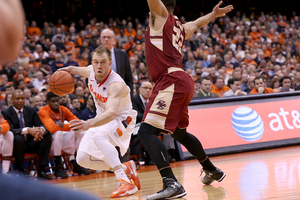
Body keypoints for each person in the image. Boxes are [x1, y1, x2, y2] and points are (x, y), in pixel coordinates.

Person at [140, 0, 233, 199]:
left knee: (147, 131)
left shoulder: (161, 18)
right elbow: (198, 23)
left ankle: (171, 182)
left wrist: (212, 14)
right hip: (182, 81)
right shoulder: (180, 27)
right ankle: (211, 169)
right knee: (180, 134)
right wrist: (213, 14)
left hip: (170, 81)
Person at [61, 46, 140, 198]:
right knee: (82, 159)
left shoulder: (115, 84)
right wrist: (69, 69)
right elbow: (82, 70)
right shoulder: (91, 71)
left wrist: (88, 124)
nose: (99, 66)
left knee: (99, 137)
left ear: (110, 63)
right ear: (92, 62)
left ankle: (125, 182)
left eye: (103, 62)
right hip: (103, 119)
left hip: (123, 119)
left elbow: (111, 113)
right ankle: (125, 168)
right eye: (96, 62)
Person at [2, 89, 52, 180]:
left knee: (47, 136)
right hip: (14, 146)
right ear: (12, 100)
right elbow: (11, 130)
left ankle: (41, 170)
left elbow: (40, 124)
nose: (20, 101)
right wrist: (28, 130)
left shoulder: (31, 110)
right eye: (17, 98)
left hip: (30, 143)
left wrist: (40, 130)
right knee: (18, 138)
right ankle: (21, 172)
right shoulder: (6, 112)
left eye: (22, 98)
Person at [38, 91, 89, 178]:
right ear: (47, 102)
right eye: (53, 101)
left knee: (80, 132)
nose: (56, 103)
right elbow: (52, 129)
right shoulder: (43, 111)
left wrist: (65, 125)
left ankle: (76, 164)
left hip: (61, 141)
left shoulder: (63, 109)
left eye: (57, 101)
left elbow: (77, 122)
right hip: (47, 144)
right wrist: (69, 125)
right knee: (58, 133)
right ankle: (58, 167)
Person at [100, 28, 133, 97]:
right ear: (101, 39)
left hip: (120, 94)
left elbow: (128, 77)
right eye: (104, 37)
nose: (106, 39)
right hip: (101, 95)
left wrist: (129, 94)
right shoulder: (94, 55)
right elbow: (89, 78)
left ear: (114, 40)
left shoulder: (122, 54)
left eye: (109, 37)